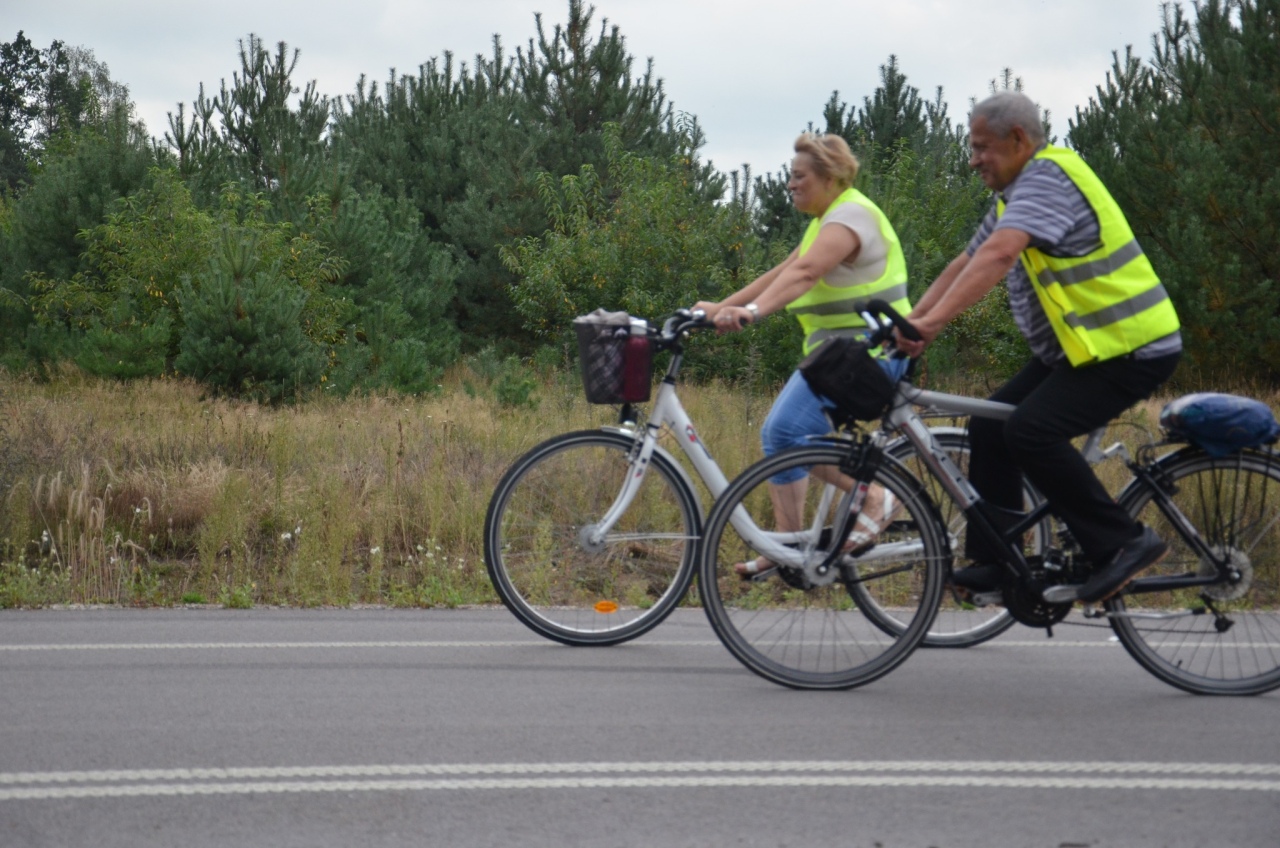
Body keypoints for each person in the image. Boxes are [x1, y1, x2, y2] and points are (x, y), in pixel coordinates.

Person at [894, 91, 1182, 603]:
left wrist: (932, 323)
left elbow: (1000, 255)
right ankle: (998, 561)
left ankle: (1123, 543)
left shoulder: (1049, 179)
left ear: (1018, 140)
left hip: (1134, 347)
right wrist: (912, 322)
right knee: (990, 421)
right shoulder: (1015, 194)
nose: (974, 159)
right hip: (1086, 352)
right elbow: (968, 259)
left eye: (982, 147)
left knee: (1030, 431)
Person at [696, 132, 911, 576]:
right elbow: (785, 270)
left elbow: (809, 272)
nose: (790, 185)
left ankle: (875, 496)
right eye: (789, 176)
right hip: (838, 357)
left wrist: (750, 314)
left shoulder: (852, 216)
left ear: (830, 177)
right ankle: (789, 549)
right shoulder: (824, 222)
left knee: (786, 433)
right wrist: (721, 307)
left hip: (872, 354)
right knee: (779, 436)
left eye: (799, 177)